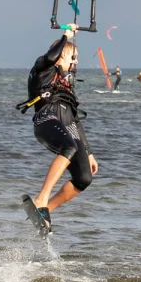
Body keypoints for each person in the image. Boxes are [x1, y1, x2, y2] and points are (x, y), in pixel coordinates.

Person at [17, 28, 98, 233]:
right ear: (61, 55)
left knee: (84, 178)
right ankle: (41, 198)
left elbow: (75, 121)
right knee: (68, 146)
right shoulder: (43, 68)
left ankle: (44, 212)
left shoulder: (67, 86)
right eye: (73, 57)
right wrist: (65, 37)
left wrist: (88, 152)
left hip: (67, 128)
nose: (76, 62)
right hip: (46, 121)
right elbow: (51, 55)